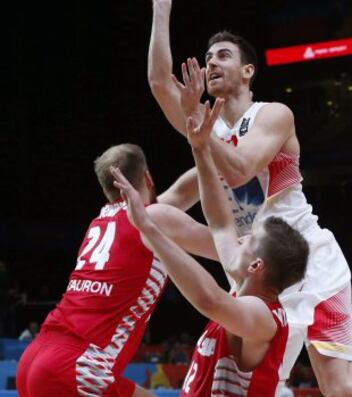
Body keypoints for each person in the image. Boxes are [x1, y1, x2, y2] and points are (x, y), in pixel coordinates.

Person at [140, 0, 352, 397]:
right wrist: (161, 5)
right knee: (154, 215)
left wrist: (199, 138)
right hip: (252, 263)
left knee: (339, 386)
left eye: (222, 55)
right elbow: (157, 84)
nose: (211, 62)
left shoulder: (273, 115)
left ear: (247, 71)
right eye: (207, 57)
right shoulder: (208, 134)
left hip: (307, 261)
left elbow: (240, 169)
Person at [110, 99, 309, 396]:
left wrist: (154, 232)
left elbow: (209, 300)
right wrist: (200, 147)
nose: (239, 238)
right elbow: (220, 222)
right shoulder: (245, 291)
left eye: (248, 240)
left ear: (256, 266)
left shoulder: (263, 317)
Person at [16, 143, 217, 397]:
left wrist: (222, 158)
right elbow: (228, 251)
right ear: (147, 178)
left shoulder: (102, 219)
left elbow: (179, 194)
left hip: (35, 357)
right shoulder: (155, 218)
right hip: (76, 367)